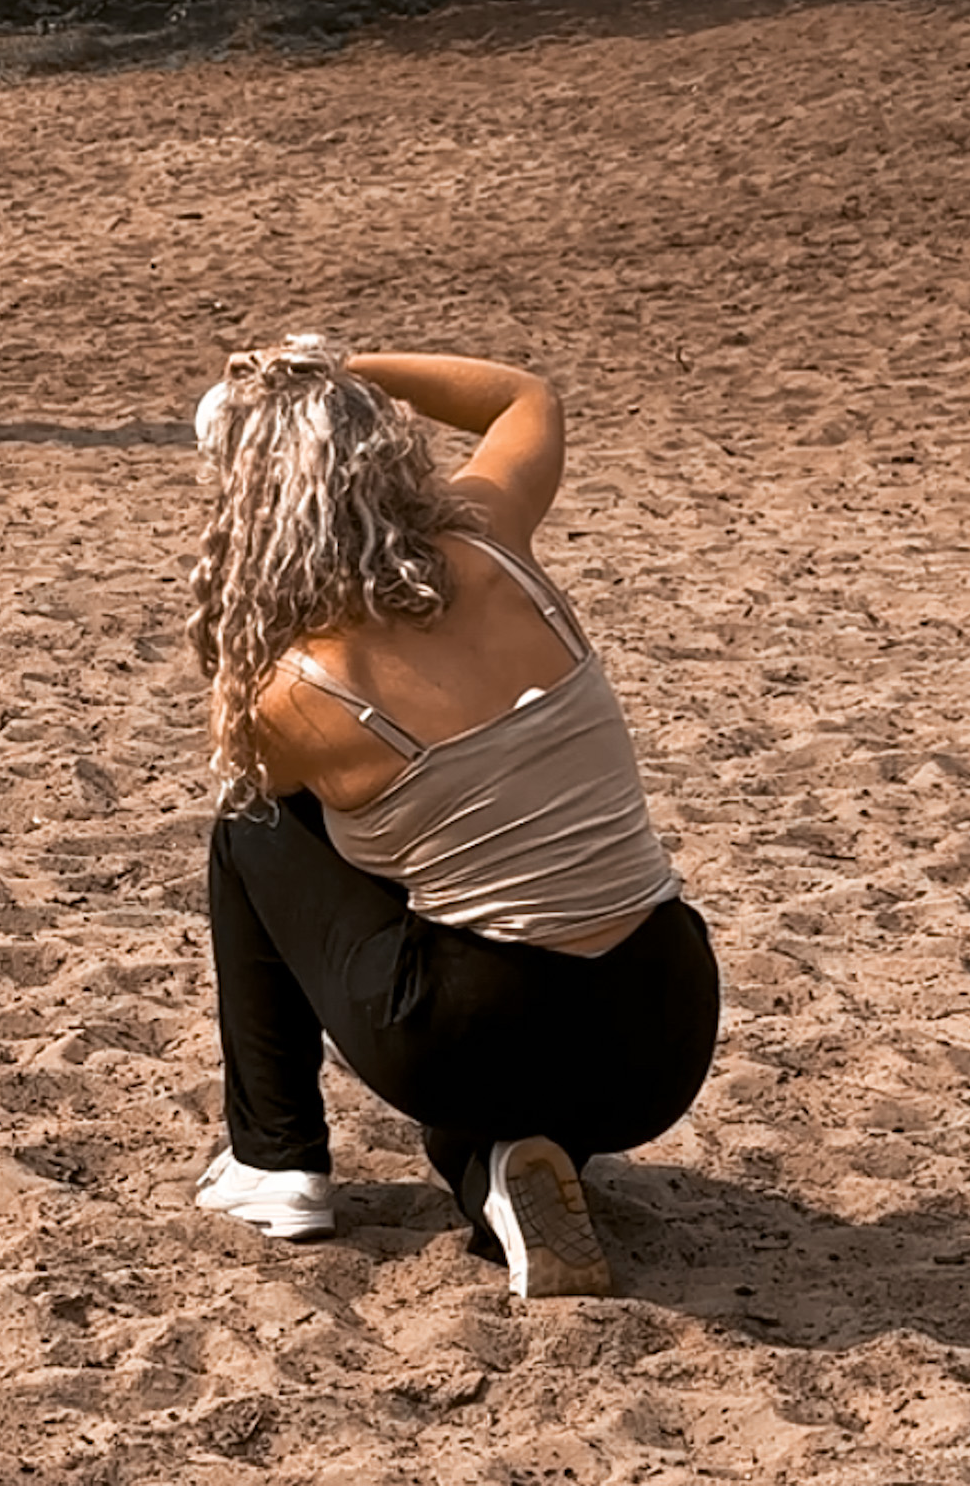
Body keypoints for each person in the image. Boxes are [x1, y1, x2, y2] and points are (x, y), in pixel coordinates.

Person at [187, 336, 718, 1298]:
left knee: (254, 824)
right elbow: (523, 399)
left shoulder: (298, 693)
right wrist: (345, 367)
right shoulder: (491, 537)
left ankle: (277, 1160)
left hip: (482, 1029)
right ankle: (497, 1174)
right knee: (480, 904)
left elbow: (329, 841)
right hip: (664, 1025)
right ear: (382, 454)